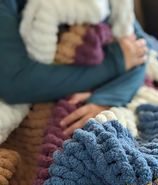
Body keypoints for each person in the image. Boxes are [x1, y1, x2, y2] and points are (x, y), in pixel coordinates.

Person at [0, 0, 147, 135]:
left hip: (87, 88)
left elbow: (139, 49)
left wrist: (106, 98)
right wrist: (114, 64)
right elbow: (16, 81)